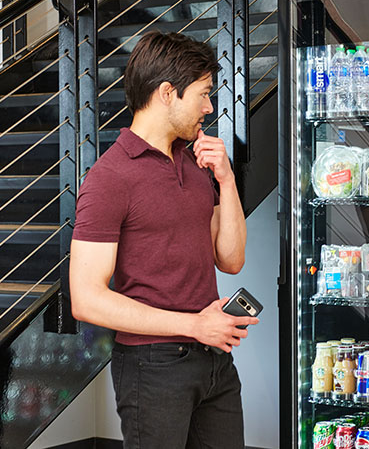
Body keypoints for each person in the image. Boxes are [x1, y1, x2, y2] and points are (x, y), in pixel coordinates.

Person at [69, 31, 257, 449]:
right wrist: (194, 325)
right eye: (203, 94)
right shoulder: (109, 178)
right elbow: (85, 299)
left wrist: (226, 181)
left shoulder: (195, 165)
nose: (209, 108)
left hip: (215, 362)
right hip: (152, 368)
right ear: (168, 93)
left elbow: (230, 259)